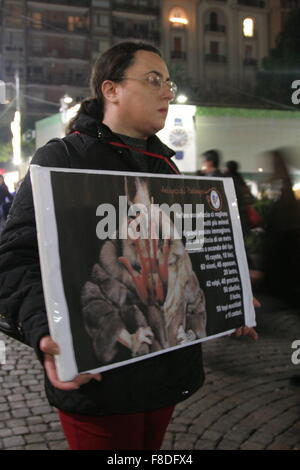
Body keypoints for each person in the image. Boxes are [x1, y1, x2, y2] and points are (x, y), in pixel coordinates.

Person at [0, 41, 257, 450]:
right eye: (153, 80)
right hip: (100, 384)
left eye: (168, 83)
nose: (167, 92)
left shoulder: (166, 167)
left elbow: (191, 259)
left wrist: (231, 298)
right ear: (111, 89)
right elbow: (15, 260)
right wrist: (47, 332)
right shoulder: (62, 158)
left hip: (165, 378)